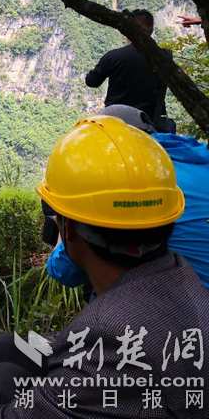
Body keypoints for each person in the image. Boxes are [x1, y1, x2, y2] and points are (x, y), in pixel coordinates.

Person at [0, 116, 209, 418]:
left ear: (68, 230)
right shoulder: (178, 274)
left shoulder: (108, 339)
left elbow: (98, 359)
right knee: (0, 349)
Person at [47, 105, 209, 289]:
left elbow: (64, 271)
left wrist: (63, 222)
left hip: (169, 299)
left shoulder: (131, 181)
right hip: (192, 296)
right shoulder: (195, 159)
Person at [85, 9, 173, 129]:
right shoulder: (165, 57)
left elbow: (91, 81)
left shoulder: (114, 56)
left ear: (128, 30)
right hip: (149, 122)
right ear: (151, 29)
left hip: (116, 121)